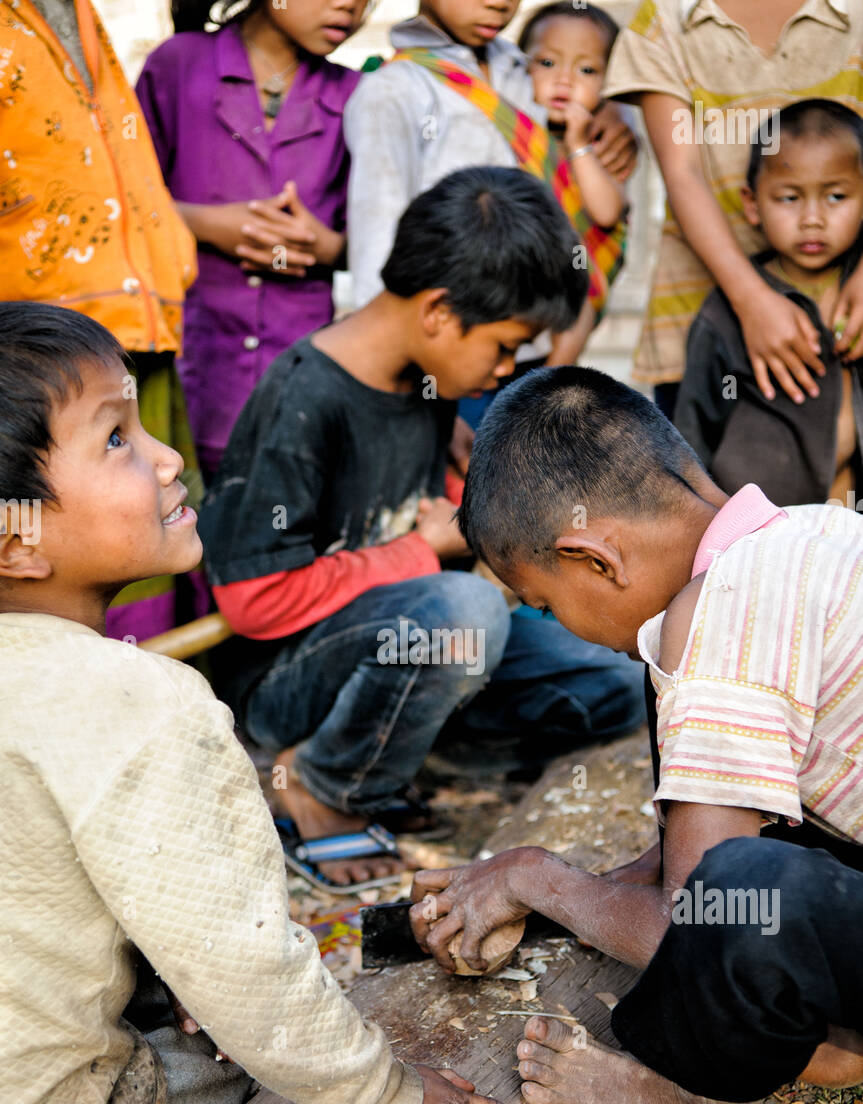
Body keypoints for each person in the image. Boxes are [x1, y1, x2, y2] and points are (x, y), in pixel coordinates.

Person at [0, 302, 533, 1104]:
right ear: (18, 542)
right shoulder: (144, 702)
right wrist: (393, 1097)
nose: (169, 460)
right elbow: (247, 977)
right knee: (225, 1053)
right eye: (117, 438)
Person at [408, 365, 863, 1104]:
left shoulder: (715, 615)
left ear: (594, 558)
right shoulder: (813, 531)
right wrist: (573, 899)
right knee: (757, 855)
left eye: (547, 604)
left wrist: (531, 875)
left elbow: (699, 921)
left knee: (742, 891)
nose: (565, 627)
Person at [197, 168, 645, 892]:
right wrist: (423, 550)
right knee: (460, 612)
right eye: (505, 347)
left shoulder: (426, 376)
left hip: (400, 637)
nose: (504, 368)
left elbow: (416, 496)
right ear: (438, 311)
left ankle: (405, 752)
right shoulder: (303, 396)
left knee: (618, 677)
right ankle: (322, 786)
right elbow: (251, 599)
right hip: (287, 677)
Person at [0, 0, 203, 642]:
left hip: (128, 332)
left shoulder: (78, 13)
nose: (163, 457)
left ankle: (152, 679)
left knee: (146, 532)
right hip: (34, 353)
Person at [138, 0, 367, 481]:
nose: (350, 4)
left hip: (296, 373)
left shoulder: (357, 95)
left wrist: (323, 246)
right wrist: (205, 223)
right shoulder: (179, 66)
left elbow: (378, 247)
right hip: (190, 360)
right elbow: (118, 204)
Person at [603, 0, 863, 419]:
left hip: (846, 321)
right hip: (696, 324)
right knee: (702, 479)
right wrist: (752, 300)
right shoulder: (666, 19)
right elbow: (682, 172)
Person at [343, 0, 635, 342]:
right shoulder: (395, 90)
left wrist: (615, 108)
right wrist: (384, 345)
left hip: (533, 333)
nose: (499, 3)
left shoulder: (524, 68)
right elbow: (377, 233)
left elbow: (581, 81)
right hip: (449, 340)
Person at [674, 100, 863, 508]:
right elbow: (692, 433)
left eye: (835, 196)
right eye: (790, 198)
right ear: (752, 203)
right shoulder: (727, 310)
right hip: (759, 531)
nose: (812, 218)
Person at [519, 1, 625, 231]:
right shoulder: (511, 124)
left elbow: (607, 213)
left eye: (587, 70)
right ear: (522, 65)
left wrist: (578, 144)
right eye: (547, 63)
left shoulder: (604, 144)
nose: (565, 80)